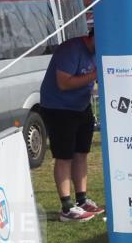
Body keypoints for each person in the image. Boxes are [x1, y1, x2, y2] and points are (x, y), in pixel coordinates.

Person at [39, 31, 104, 222]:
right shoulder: (71, 49)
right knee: (64, 156)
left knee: (81, 153)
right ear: (95, 36)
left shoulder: (96, 52)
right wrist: (95, 74)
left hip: (81, 107)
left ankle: (82, 200)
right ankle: (67, 207)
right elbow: (64, 83)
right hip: (58, 108)